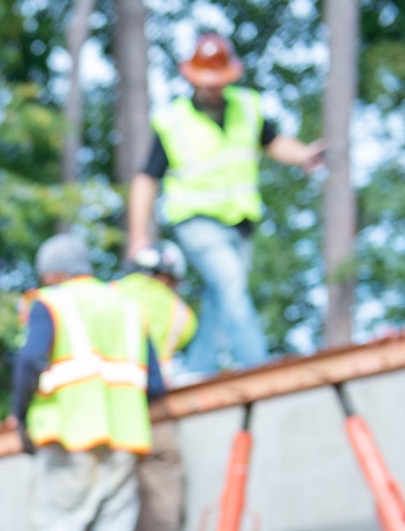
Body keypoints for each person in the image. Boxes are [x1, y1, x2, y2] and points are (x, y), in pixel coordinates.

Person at [125, 32, 324, 377]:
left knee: (221, 298)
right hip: (196, 220)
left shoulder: (247, 107)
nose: (212, 88)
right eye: (205, 82)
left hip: (240, 221)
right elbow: (146, 179)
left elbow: (274, 143)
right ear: (191, 78)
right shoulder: (174, 121)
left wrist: (304, 155)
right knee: (232, 286)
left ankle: (199, 369)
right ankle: (258, 367)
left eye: (218, 81)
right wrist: (138, 235)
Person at [9, 233, 165, 531]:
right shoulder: (128, 307)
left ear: (54, 273)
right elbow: (155, 384)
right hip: (125, 436)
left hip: (71, 433)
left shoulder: (52, 302)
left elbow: (30, 361)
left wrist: (19, 414)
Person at [114, 244, 198, 531]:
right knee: (162, 521)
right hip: (155, 416)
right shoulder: (180, 312)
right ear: (169, 277)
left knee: (108, 521)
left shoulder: (109, 297)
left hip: (107, 419)